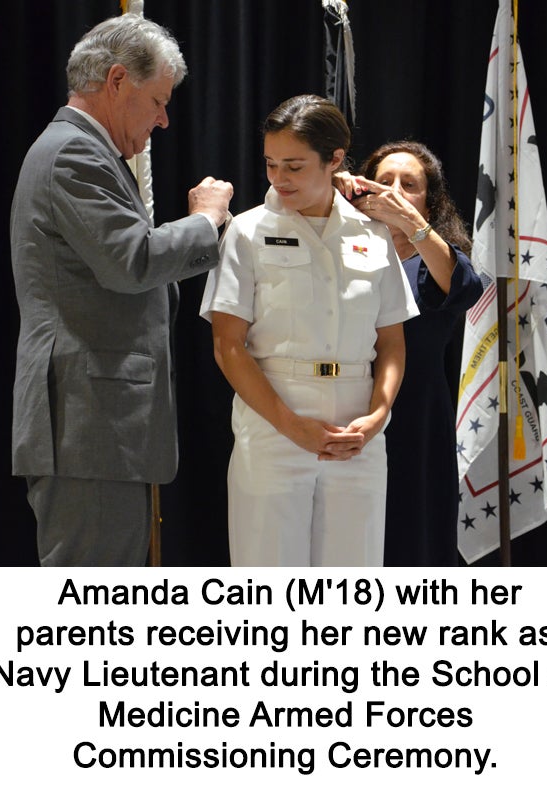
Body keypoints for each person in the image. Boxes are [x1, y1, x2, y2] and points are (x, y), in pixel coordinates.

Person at [10, 14, 233, 566]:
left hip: (98, 432)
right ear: (115, 82)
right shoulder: (74, 154)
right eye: (157, 101)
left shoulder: (86, 151)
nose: (162, 120)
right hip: (89, 431)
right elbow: (132, 261)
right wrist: (205, 221)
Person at [200, 95, 419, 567]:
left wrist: (378, 414)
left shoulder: (372, 233)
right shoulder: (247, 232)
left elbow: (393, 343)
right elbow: (227, 345)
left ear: (335, 159)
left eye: (294, 166)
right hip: (273, 424)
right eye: (271, 164)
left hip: (357, 432)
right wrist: (290, 424)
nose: (279, 178)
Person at [337, 140, 483, 565]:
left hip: (416, 415)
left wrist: (412, 224)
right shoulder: (343, 247)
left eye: (410, 183)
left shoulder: (434, 256)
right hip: (346, 407)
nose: (396, 190)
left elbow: (465, 288)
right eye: (384, 181)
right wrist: (329, 189)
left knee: (410, 535)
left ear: (429, 200)